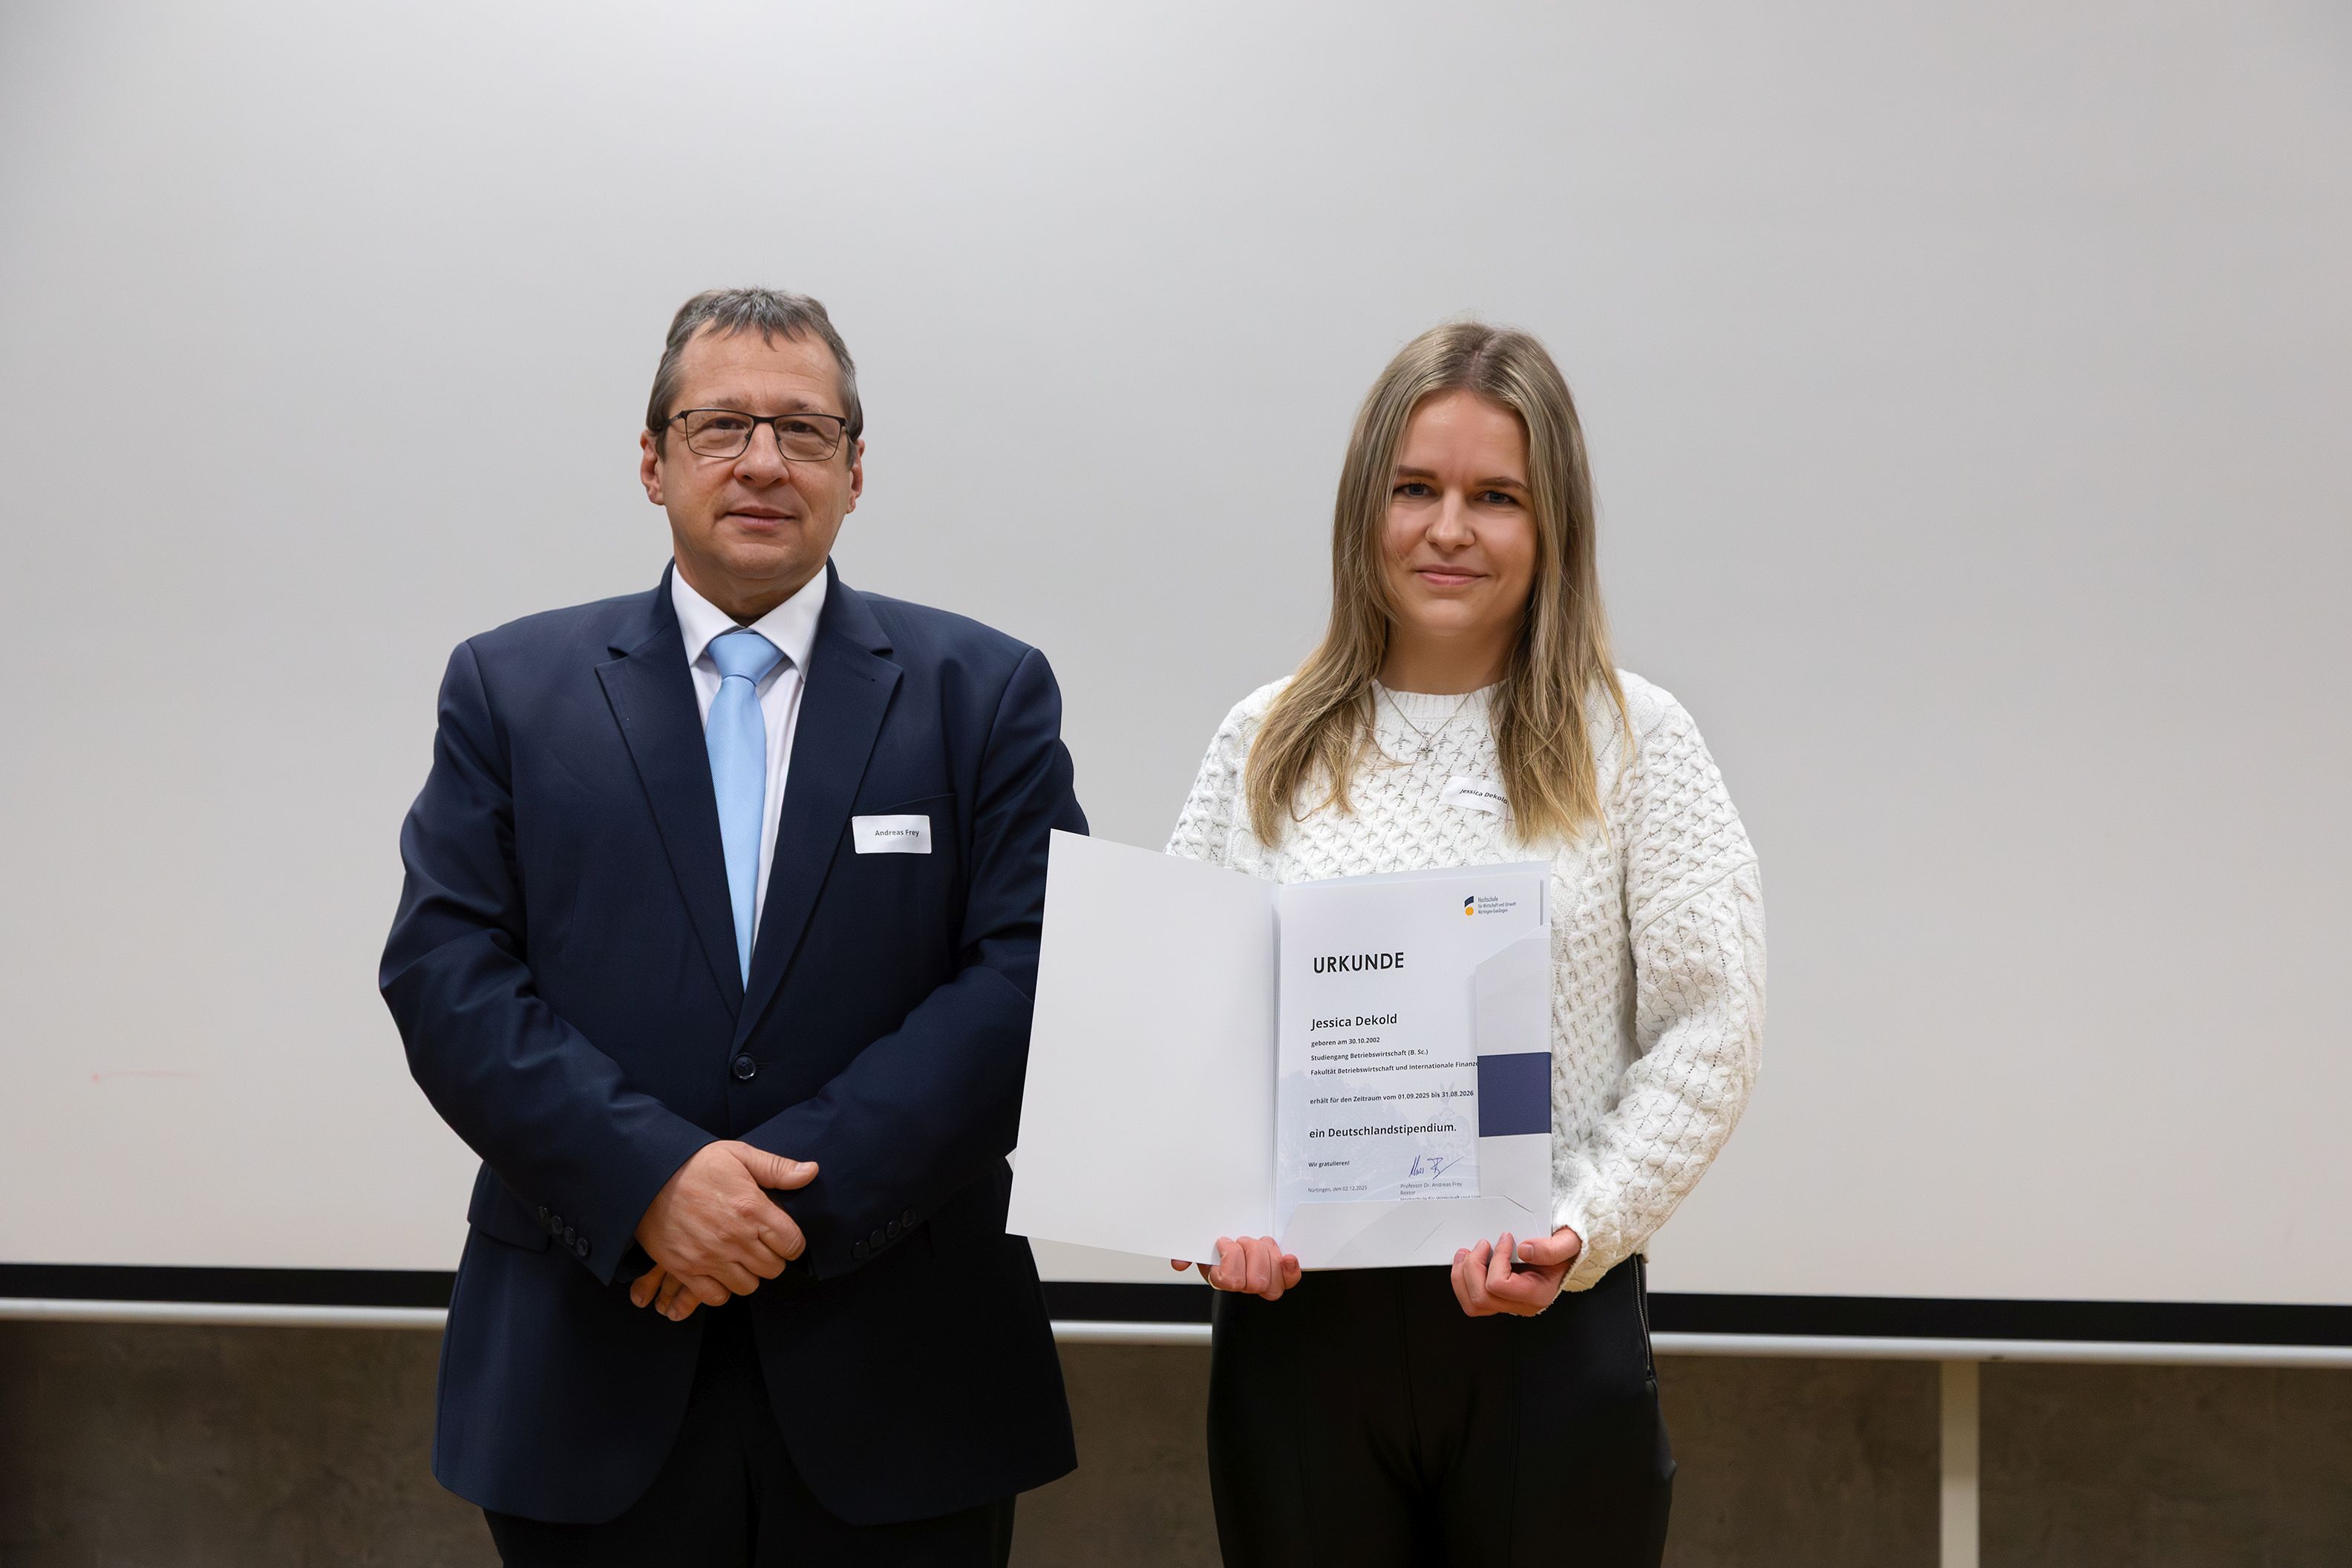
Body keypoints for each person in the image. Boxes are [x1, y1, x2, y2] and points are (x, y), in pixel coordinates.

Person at [380, 287, 1083, 1565]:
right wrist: (652, 1182)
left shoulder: (983, 694)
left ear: (855, 472)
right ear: (653, 462)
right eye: (721, 427)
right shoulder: (511, 689)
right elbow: (448, 972)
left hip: (907, 1378)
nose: (764, 461)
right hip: (585, 1370)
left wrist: (788, 1202)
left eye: (805, 430)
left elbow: (1032, 978)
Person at [1166, 321, 1765, 1566]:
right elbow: (1183, 1025)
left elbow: (1711, 1025)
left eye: (1497, 497)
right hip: (1298, 1342)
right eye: (1415, 489)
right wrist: (1208, 1207)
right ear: (1364, 508)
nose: (1450, 530)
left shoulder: (1635, 740)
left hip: (1547, 1333)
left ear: (1554, 526)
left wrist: (1582, 1224)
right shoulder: (1262, 742)